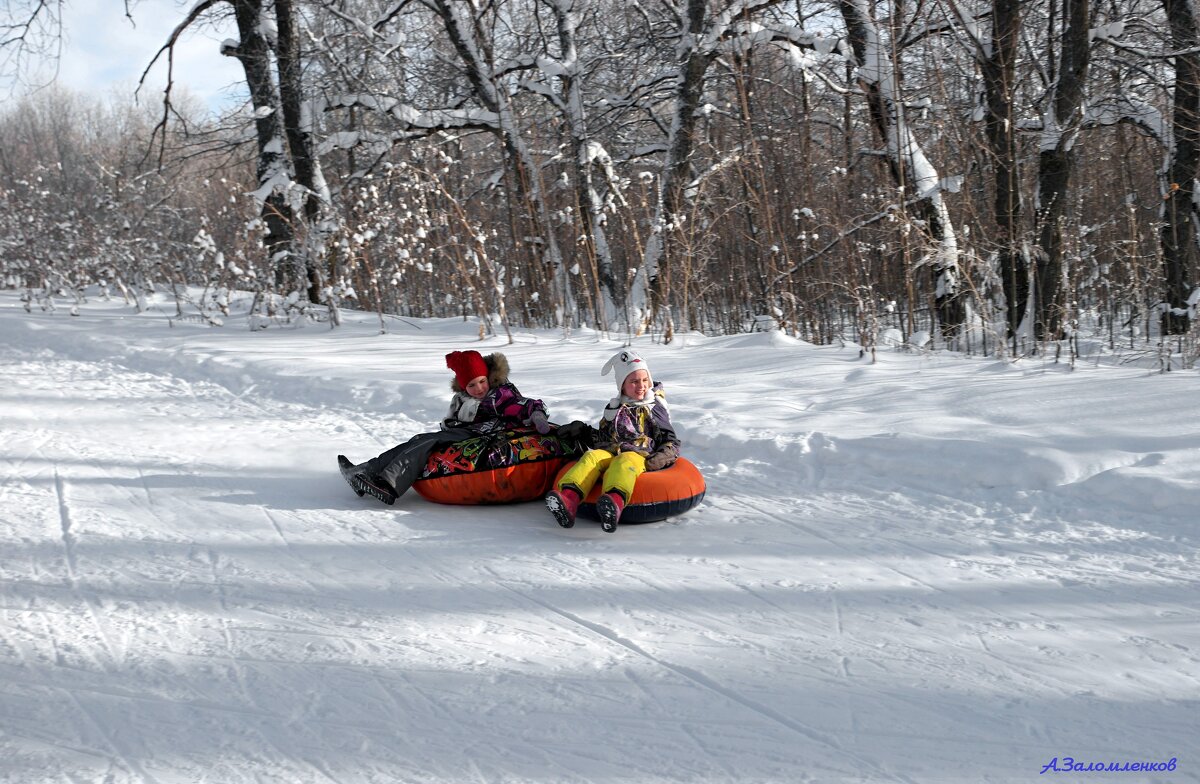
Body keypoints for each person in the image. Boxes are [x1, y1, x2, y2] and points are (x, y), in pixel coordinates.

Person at [339, 350, 550, 505]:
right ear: (463, 386)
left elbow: (522, 405)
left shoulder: (500, 394)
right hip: (469, 433)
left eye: (481, 381)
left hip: (488, 435)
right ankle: (365, 471)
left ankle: (388, 485)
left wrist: (537, 415)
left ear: (489, 377)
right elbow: (450, 421)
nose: (478, 389)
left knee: (427, 442)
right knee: (419, 439)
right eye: (471, 385)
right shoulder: (461, 399)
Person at [544, 349, 679, 532]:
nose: (641, 386)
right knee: (592, 458)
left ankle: (613, 502)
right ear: (622, 385)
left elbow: (670, 438)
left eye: (644, 380)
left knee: (624, 462)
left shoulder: (653, 408)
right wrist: (582, 431)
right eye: (634, 381)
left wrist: (663, 456)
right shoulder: (614, 408)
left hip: (639, 454)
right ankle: (569, 498)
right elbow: (603, 438)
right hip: (610, 450)